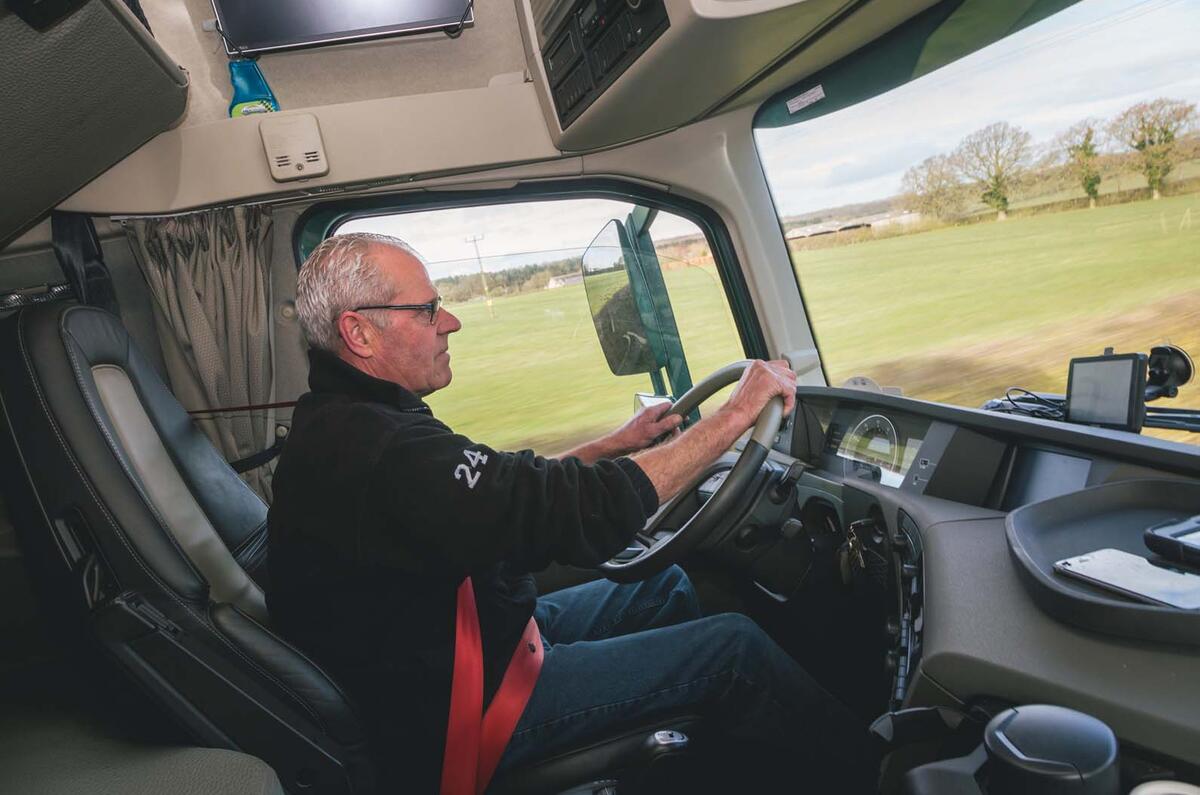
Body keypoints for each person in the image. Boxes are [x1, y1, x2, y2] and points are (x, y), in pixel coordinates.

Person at [268, 232, 875, 792]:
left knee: (662, 583)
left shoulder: (350, 421)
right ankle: (887, 777)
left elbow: (501, 494)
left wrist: (614, 444)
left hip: (474, 645)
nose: (448, 322)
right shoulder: (379, 448)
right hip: (463, 713)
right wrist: (737, 415)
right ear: (360, 333)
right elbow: (571, 510)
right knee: (733, 649)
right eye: (427, 310)